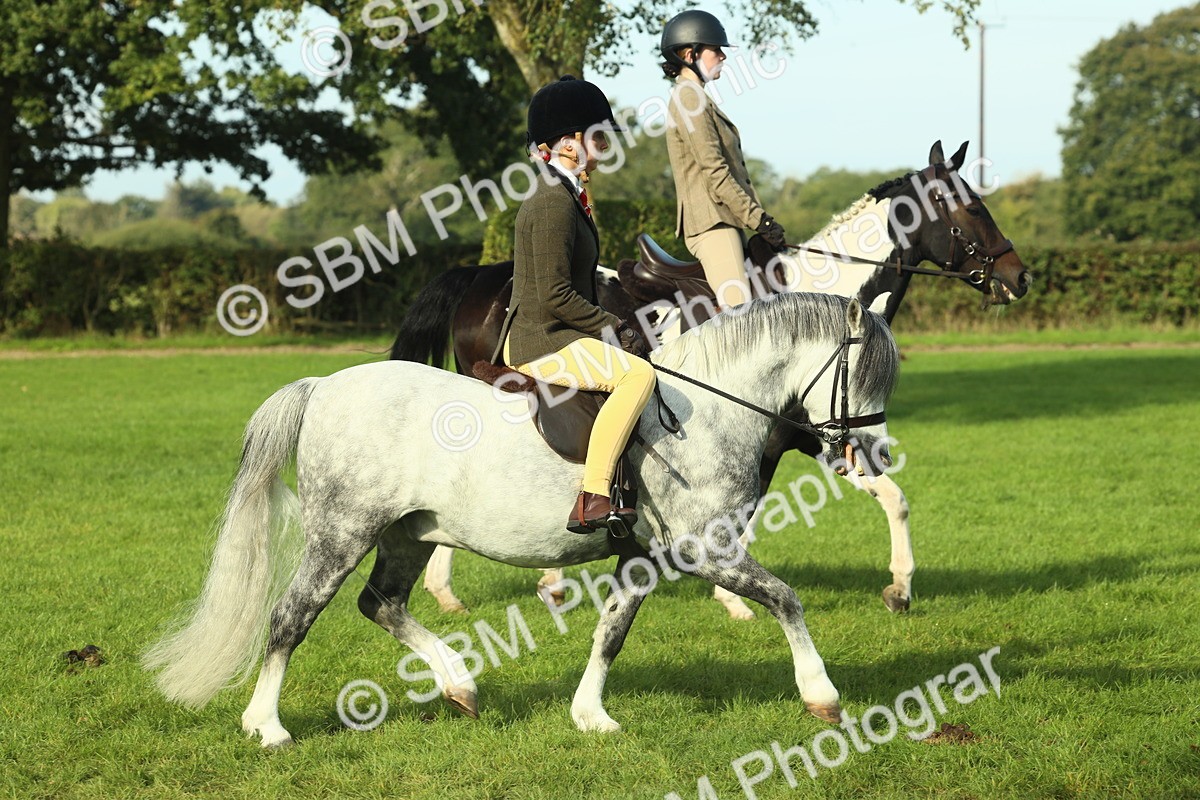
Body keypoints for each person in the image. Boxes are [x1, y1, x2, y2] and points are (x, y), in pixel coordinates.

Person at [492, 75, 656, 535]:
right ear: (568, 144)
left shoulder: (567, 195)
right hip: (540, 341)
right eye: (598, 136)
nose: (605, 147)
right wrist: (615, 325)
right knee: (636, 374)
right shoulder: (551, 204)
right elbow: (553, 295)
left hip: (559, 332)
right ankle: (592, 494)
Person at [661, 9, 788, 308]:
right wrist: (760, 219)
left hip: (725, 221)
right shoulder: (689, 97)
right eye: (716, 50)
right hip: (712, 225)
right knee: (740, 317)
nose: (723, 57)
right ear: (690, 54)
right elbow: (715, 172)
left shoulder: (697, 96)